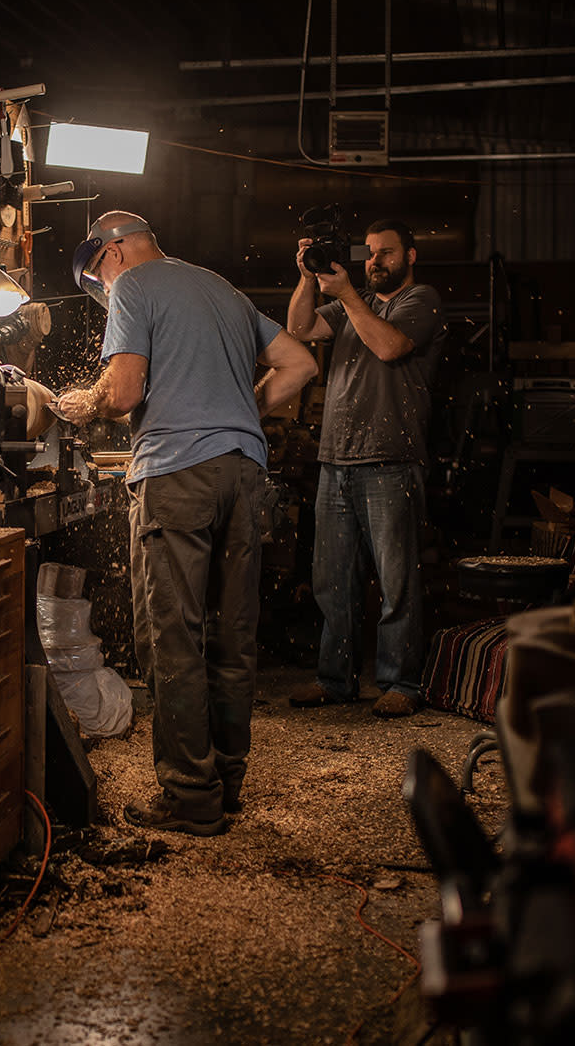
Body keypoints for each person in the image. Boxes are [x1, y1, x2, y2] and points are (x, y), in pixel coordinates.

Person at [53, 211, 319, 835]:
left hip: (177, 475)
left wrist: (76, 404)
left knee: (171, 636)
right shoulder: (221, 289)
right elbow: (300, 364)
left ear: (112, 251)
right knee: (232, 634)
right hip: (243, 472)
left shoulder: (133, 288)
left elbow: (120, 394)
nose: (102, 289)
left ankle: (188, 795)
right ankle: (225, 782)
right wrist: (233, 413)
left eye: (98, 276)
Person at [284, 219, 444, 718]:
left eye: (386, 253)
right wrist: (308, 278)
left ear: (410, 256)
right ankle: (336, 680)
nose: (376, 261)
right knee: (333, 580)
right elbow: (300, 328)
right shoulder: (356, 304)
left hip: (391, 460)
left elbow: (389, 347)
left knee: (396, 581)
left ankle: (402, 683)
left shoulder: (421, 301)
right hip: (336, 458)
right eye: (370, 253)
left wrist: (350, 292)